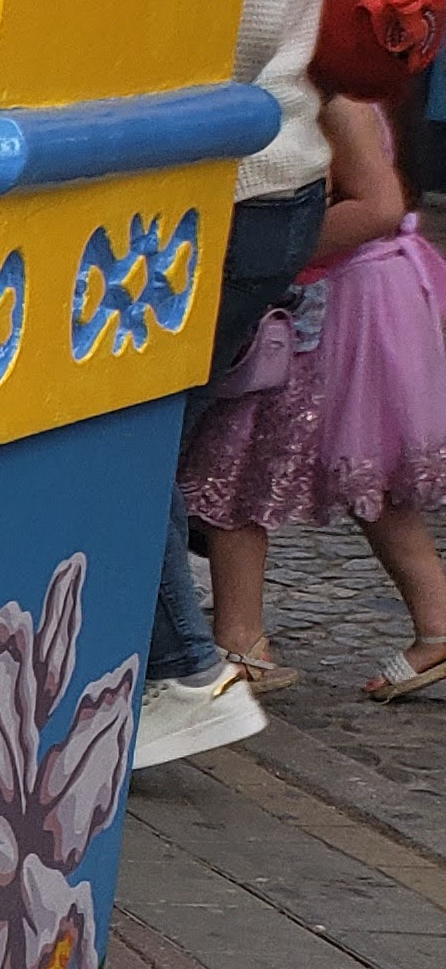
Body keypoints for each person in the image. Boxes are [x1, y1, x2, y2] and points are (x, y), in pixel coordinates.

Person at [140, 0, 333, 768]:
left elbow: (246, 23)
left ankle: (187, 672)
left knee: (126, 444)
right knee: (135, 440)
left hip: (236, 186)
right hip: (250, 184)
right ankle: (167, 670)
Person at [178, 94, 446, 702]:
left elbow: (378, 205)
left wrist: (272, 252)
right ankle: (437, 624)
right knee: (368, 477)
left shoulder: (334, 98)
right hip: (351, 296)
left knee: (234, 463)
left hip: (330, 304)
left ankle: (241, 643)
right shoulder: (347, 93)